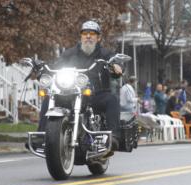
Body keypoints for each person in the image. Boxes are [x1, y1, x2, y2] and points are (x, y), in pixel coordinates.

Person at [32, 20, 123, 154]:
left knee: (112, 100)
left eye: (92, 33)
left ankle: (114, 137)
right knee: (48, 99)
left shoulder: (105, 54)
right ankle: (41, 136)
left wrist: (116, 66)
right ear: (81, 36)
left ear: (98, 38)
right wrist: (43, 70)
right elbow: (55, 66)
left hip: (96, 95)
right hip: (70, 94)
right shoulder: (70, 53)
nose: (88, 36)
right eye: (85, 33)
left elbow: (115, 62)